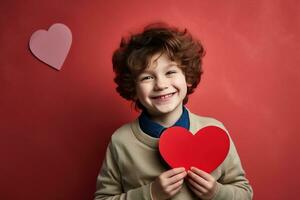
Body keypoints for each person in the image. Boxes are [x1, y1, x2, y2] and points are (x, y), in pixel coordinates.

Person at [94, 22, 253, 200]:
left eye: (170, 72)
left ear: (188, 77)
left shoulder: (215, 130)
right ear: (133, 87)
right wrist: (150, 193)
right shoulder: (120, 141)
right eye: (147, 77)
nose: (161, 85)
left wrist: (216, 193)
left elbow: (244, 193)